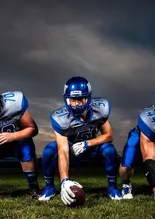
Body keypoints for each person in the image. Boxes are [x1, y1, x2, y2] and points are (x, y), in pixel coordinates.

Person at [39, 76, 121, 204]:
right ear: (67, 99)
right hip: (71, 148)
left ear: (88, 98)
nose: (76, 104)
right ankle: (50, 187)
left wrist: (88, 143)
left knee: (109, 150)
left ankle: (112, 187)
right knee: (49, 151)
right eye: (73, 100)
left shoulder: (100, 109)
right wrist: (64, 180)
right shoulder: (60, 118)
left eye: (80, 99)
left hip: (91, 148)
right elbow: (63, 150)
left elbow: (109, 136)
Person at [0, 91, 40, 198]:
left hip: (15, 142)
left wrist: (13, 136)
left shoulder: (14, 103)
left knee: (26, 146)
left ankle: (33, 185)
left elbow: (33, 129)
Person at [119, 104, 155, 199]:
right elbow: (148, 156)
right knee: (126, 167)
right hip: (141, 138)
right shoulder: (148, 118)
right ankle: (126, 183)